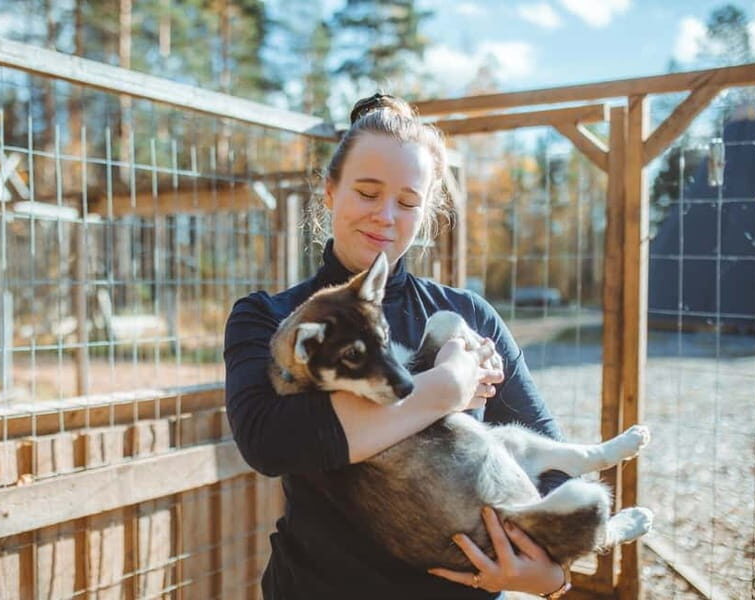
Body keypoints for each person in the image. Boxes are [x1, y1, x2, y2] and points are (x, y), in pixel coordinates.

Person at [224, 93, 571, 600]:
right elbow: (271, 442)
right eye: (367, 192)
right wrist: (447, 386)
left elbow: (553, 467)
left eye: (408, 202)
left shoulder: (469, 317)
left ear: (426, 210)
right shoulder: (269, 319)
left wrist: (552, 578)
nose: (385, 216)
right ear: (329, 192)